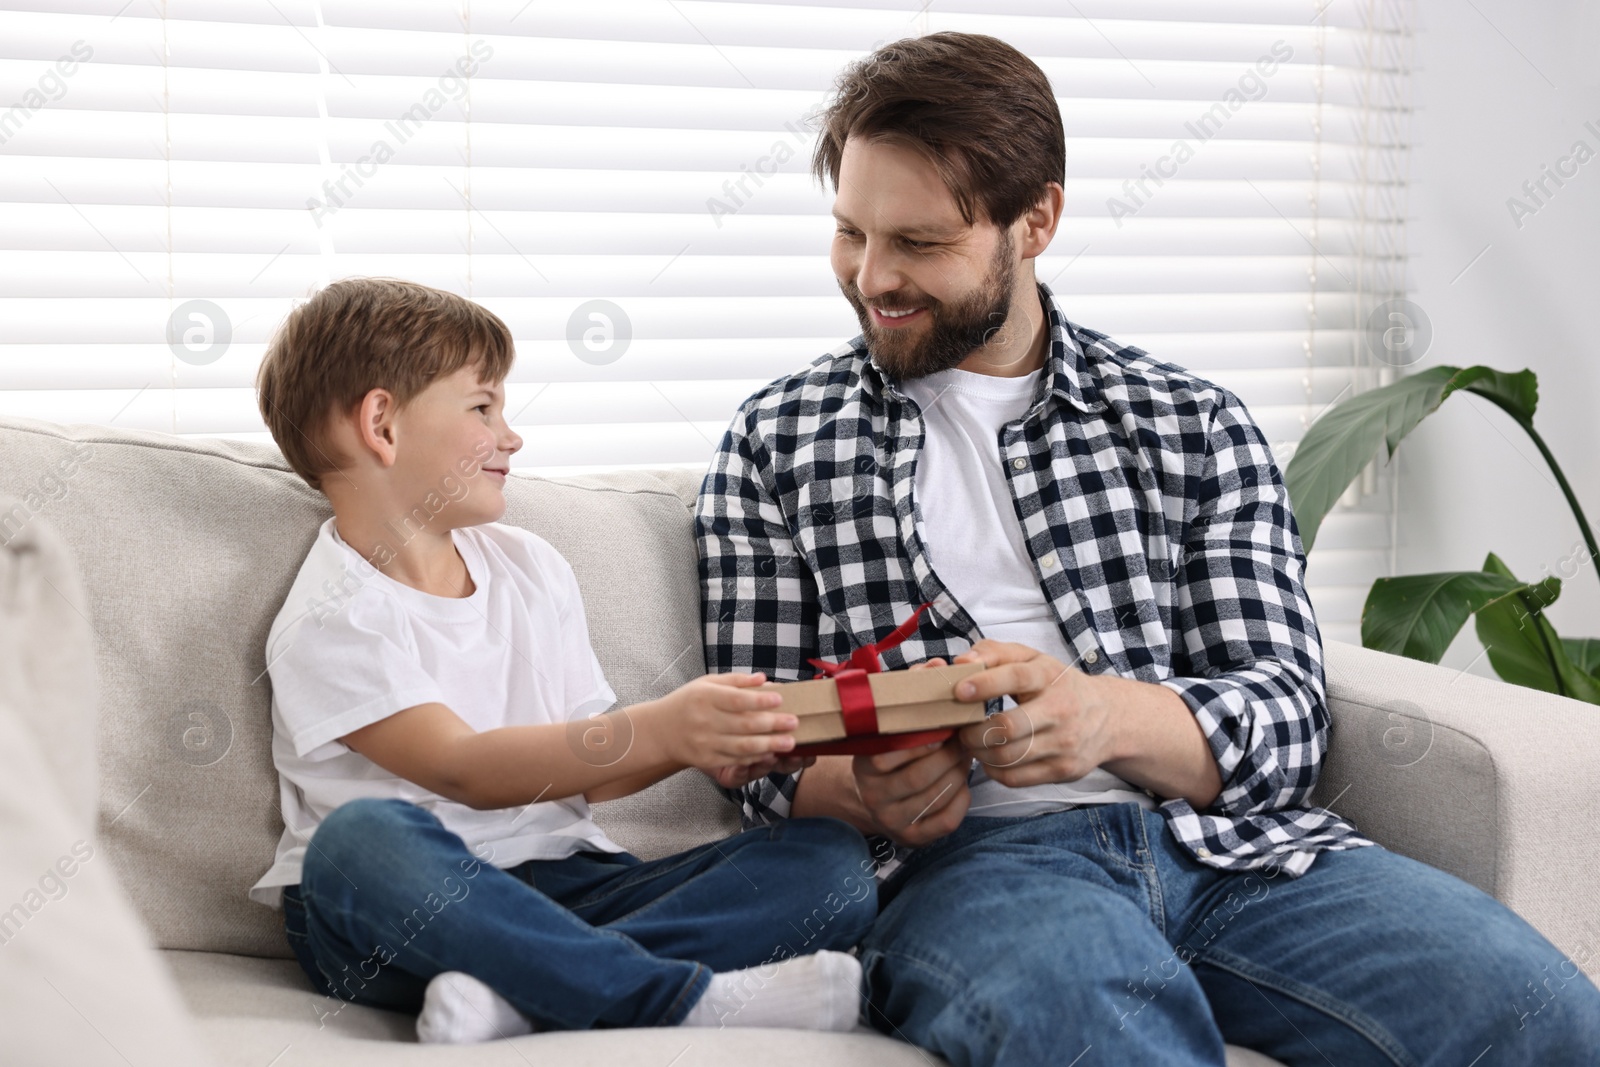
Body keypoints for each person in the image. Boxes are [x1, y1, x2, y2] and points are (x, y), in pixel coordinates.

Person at [695, 31, 1600, 1066]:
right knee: (1102, 1037)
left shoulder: (1187, 423)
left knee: (1544, 1015)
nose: (873, 277)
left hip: (1236, 854)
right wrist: (856, 790)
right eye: (851, 233)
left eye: (920, 242)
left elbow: (1287, 713)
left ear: (1036, 220)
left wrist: (1101, 714)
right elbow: (747, 747)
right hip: (978, 869)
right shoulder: (777, 441)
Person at [247, 277, 876, 1044]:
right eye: (483, 407)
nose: (511, 435)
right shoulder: (331, 613)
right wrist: (666, 731)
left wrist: (704, 748)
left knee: (832, 866)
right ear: (381, 423)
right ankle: (669, 995)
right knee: (358, 843)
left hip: (569, 883)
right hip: (409, 914)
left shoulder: (530, 566)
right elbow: (462, 768)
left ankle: (525, 990)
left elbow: (598, 765)